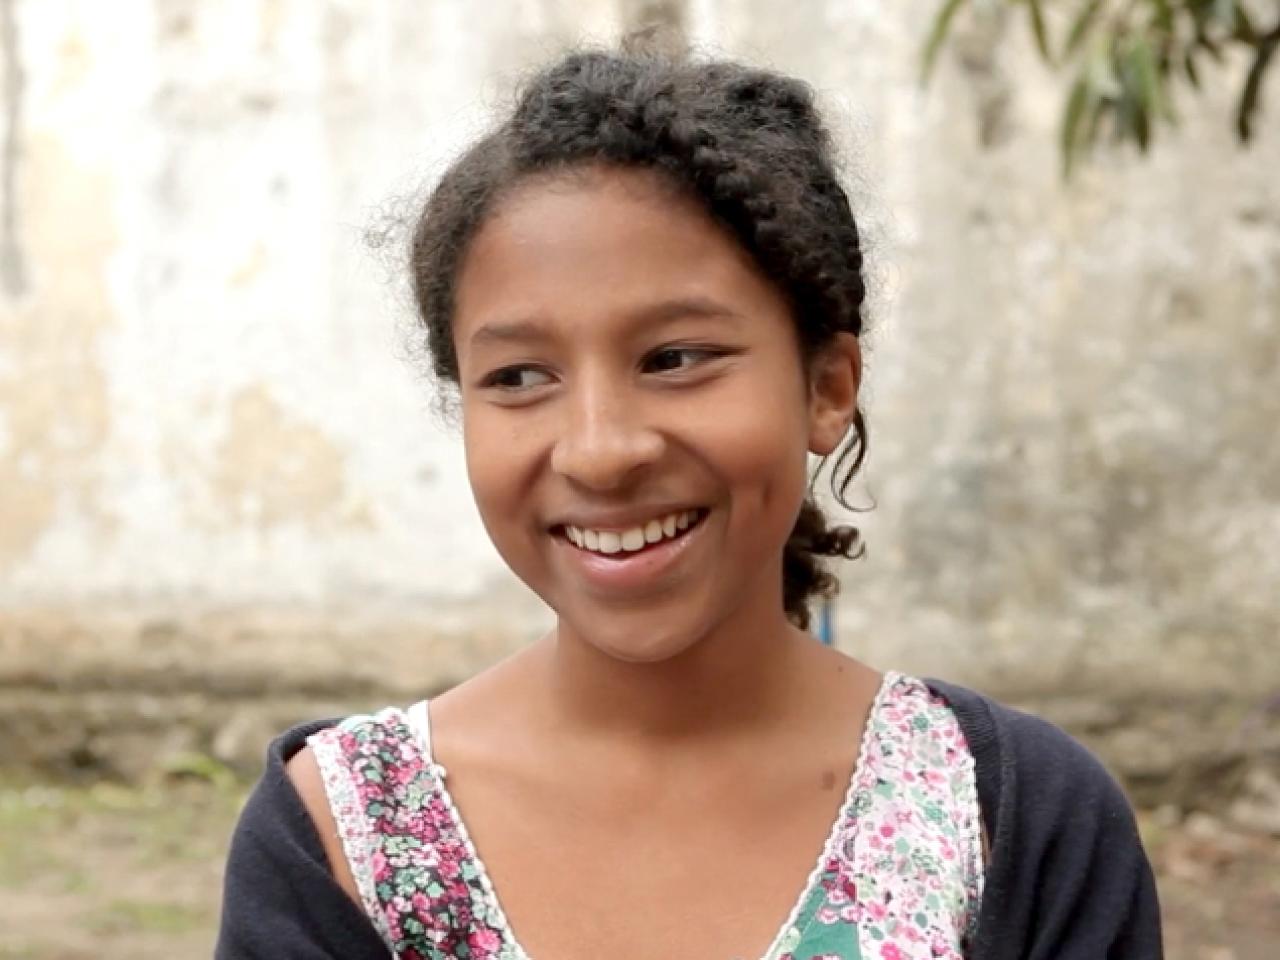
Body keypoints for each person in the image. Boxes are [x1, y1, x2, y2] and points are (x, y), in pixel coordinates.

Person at [215, 46, 1163, 960]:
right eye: (517, 375)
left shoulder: (1013, 821)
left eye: (674, 358)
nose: (601, 449)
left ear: (828, 386)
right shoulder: (347, 839)